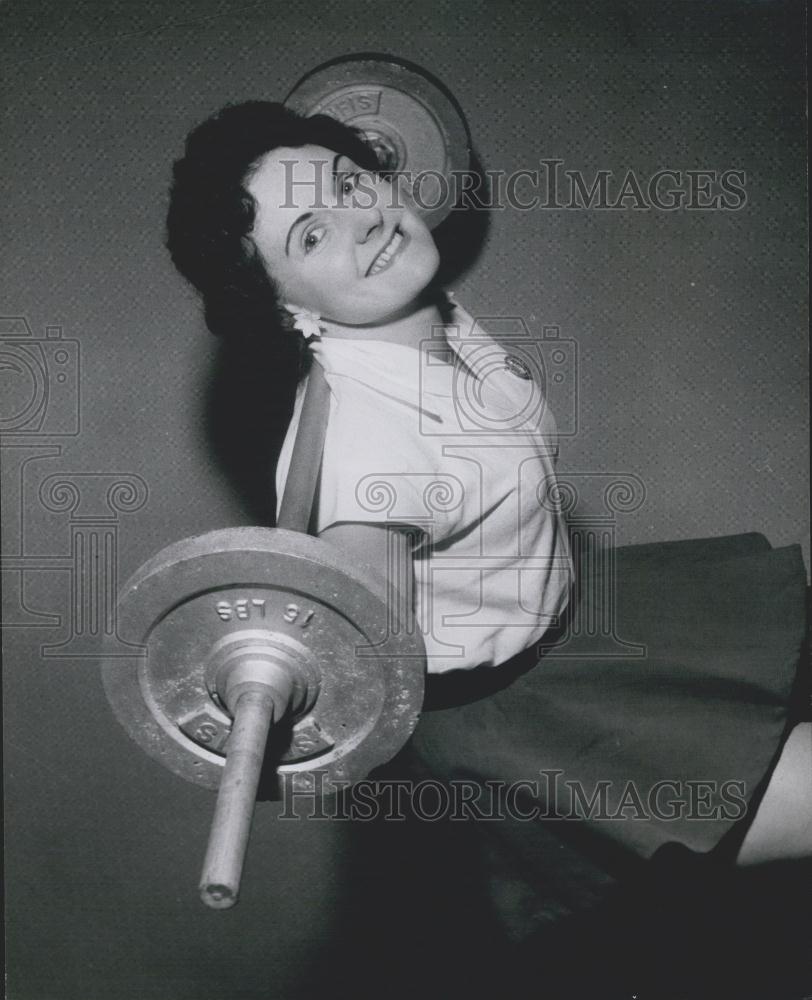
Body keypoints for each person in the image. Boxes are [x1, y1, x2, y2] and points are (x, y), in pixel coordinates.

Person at [165, 101, 811, 890]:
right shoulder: (367, 443)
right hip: (531, 723)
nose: (360, 221)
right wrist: (281, 678)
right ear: (285, 304)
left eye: (346, 182)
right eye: (310, 234)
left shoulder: (417, 317)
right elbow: (358, 662)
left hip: (578, 626)